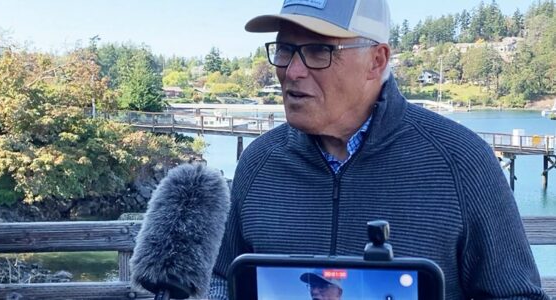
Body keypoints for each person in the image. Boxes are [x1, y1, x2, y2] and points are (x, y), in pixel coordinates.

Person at [210, 0, 548, 299]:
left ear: (376, 60)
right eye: (285, 49)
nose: (292, 71)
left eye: (318, 51)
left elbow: (517, 294)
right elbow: (222, 279)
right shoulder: (258, 161)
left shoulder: (461, 161)